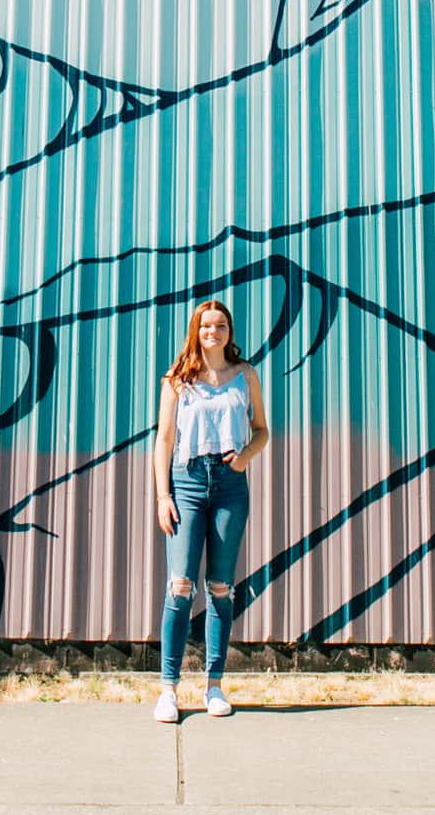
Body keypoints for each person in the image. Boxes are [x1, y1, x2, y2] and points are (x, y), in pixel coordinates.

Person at [150, 299, 269, 722]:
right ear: (195, 331)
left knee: (220, 586)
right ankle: (168, 690)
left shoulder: (245, 375)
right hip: (187, 480)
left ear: (229, 331)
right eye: (205, 326)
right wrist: (163, 496)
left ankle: (214, 686)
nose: (212, 332)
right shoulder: (178, 379)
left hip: (231, 485)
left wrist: (243, 459)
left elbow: (262, 431)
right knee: (180, 584)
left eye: (220, 325)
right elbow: (164, 441)